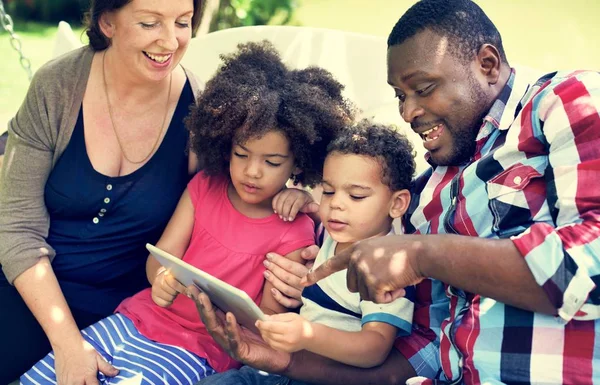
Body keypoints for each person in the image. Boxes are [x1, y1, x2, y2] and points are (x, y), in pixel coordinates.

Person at [22, 40, 354, 385]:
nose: (252, 172)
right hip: (139, 317)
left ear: (299, 160)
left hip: (201, 348)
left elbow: (266, 319)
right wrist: (163, 279)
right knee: (56, 375)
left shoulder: (293, 229)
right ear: (225, 144)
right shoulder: (204, 187)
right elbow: (161, 257)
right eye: (241, 154)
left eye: (272, 162)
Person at [303, 0, 600, 384]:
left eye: (423, 89)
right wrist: (281, 363)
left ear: (488, 65)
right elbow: (421, 348)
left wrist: (421, 254)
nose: (407, 112)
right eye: (399, 96)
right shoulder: (427, 190)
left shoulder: (565, 100)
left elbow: (588, 269)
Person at [0, 0, 204, 383]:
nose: (170, 41)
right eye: (149, 23)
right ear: (107, 21)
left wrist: (292, 198)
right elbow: (16, 228)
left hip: (126, 315)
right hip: (29, 288)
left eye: (183, 22)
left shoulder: (200, 109)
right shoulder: (57, 86)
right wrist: (67, 343)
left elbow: (234, 196)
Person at [198, 121, 421, 385]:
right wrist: (300, 198)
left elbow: (374, 348)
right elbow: (317, 213)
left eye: (356, 196)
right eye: (328, 191)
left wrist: (308, 334)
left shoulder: (389, 267)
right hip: (287, 365)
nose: (336, 204)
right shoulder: (335, 233)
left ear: (397, 204)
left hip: (328, 376)